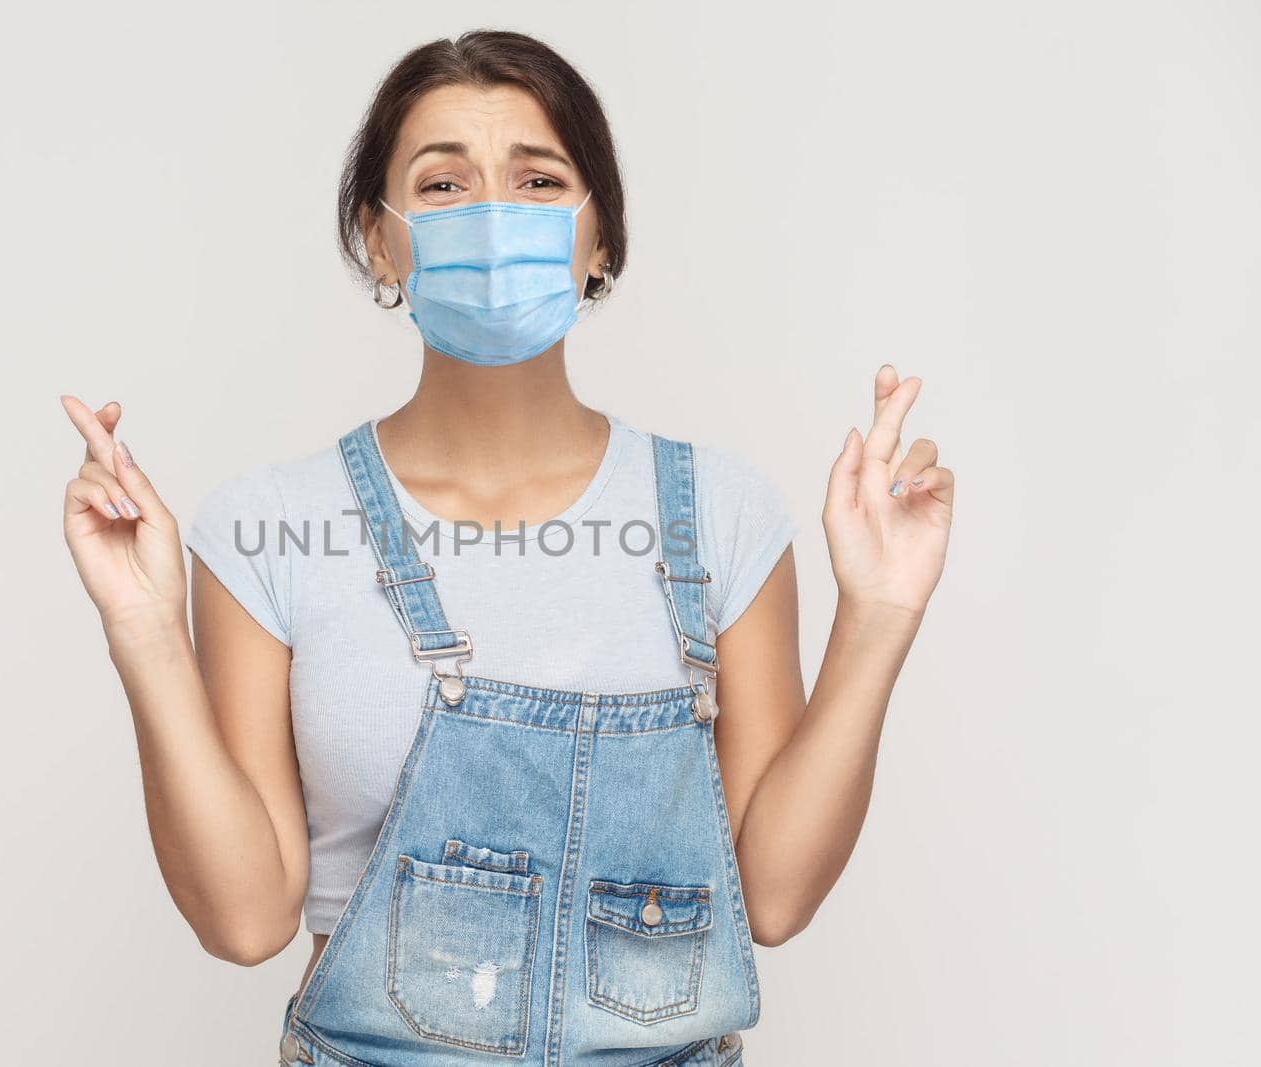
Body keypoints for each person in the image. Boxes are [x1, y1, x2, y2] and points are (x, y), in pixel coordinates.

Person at [59, 28, 952, 1066]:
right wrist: (145, 633)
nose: (491, 215)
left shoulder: (720, 513)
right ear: (378, 239)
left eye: (537, 178)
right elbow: (244, 919)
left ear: (598, 236)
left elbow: (775, 895)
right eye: (442, 184)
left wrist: (879, 614)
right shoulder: (267, 527)